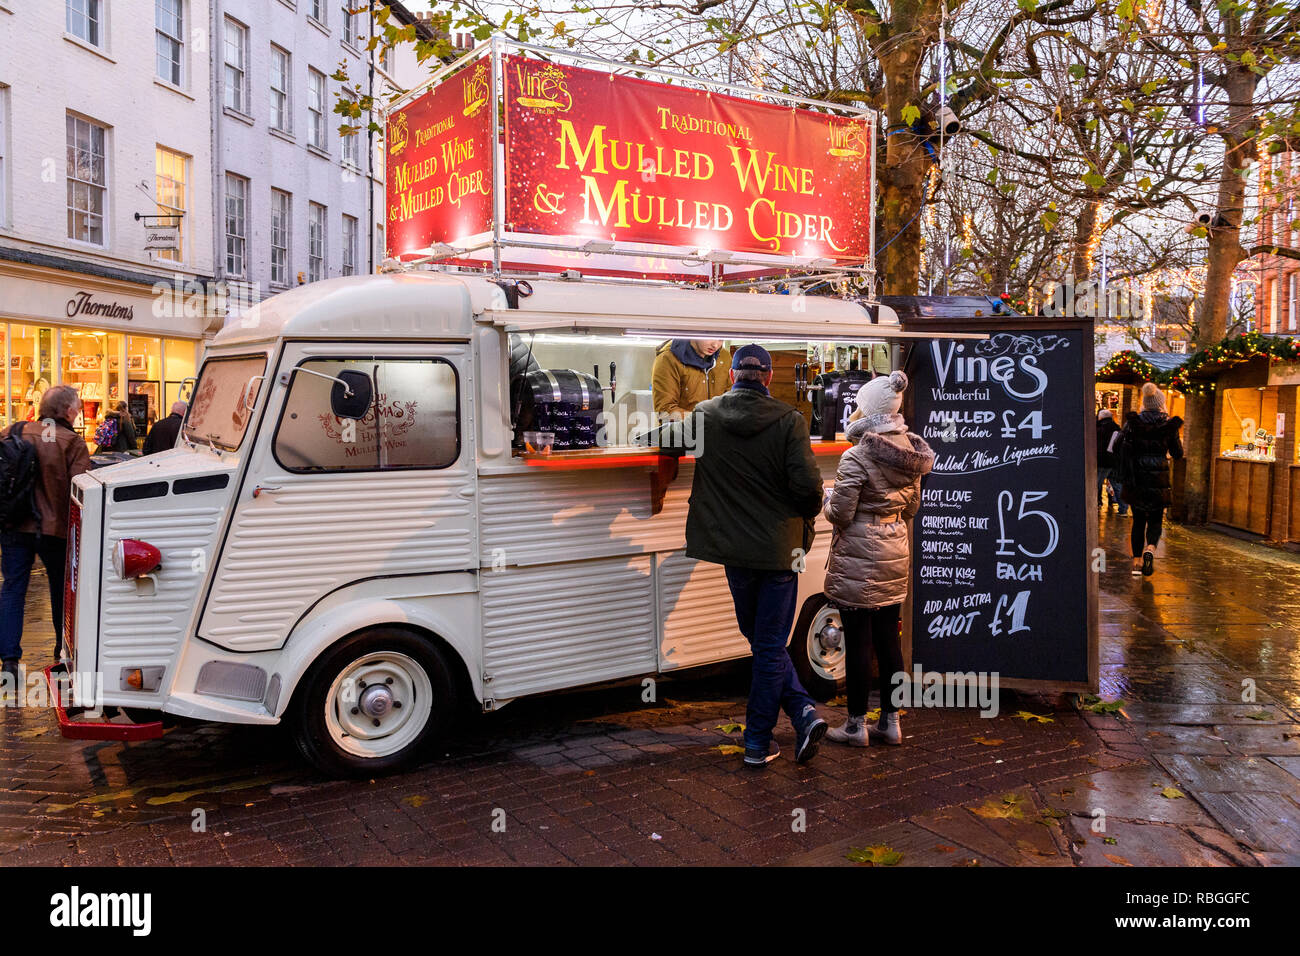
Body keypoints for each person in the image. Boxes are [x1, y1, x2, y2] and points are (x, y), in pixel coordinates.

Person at [647, 344, 828, 768]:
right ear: (766, 378)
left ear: (731, 377)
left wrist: (640, 437)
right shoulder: (790, 421)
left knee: (762, 642)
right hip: (782, 553)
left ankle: (787, 723)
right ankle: (766, 737)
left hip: (735, 552)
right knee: (767, 645)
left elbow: (662, 438)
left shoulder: (706, 416)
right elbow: (808, 490)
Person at [822, 371, 934, 747]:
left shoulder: (856, 455)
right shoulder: (911, 453)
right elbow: (913, 508)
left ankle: (855, 726)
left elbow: (840, 513)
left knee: (857, 641)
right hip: (895, 548)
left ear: (868, 411)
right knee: (889, 640)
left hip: (859, 554)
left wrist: (827, 499)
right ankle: (890, 722)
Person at [0, 385, 92, 688]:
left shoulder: (13, 430)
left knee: (13, 590)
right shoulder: (72, 442)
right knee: (61, 594)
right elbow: (82, 491)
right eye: (77, 407)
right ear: (67, 411)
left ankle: (9, 663)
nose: (78, 412)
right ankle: (60, 653)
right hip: (55, 529)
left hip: (14, 524)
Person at [1119, 382, 1183, 577]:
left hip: (1136, 477)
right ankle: (1151, 549)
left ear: (1144, 403)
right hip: (1159, 479)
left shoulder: (1133, 423)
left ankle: (1137, 562)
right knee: (1155, 519)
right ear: (1161, 404)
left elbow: (1119, 445)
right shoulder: (1169, 425)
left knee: (1138, 520)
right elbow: (1177, 453)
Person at [651, 339, 730, 419]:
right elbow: (664, 411)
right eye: (710, 337)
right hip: (683, 430)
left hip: (715, 429)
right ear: (695, 330)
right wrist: (704, 421)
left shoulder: (724, 357)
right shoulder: (667, 359)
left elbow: (730, 399)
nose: (715, 345)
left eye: (721, 339)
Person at [1096, 409, 1127, 515]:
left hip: (1101, 462)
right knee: (1117, 486)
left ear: (1100, 418)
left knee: (1096, 485)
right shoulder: (1117, 429)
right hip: (1114, 462)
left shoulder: (1098, 429)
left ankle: (1093, 506)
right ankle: (1123, 509)